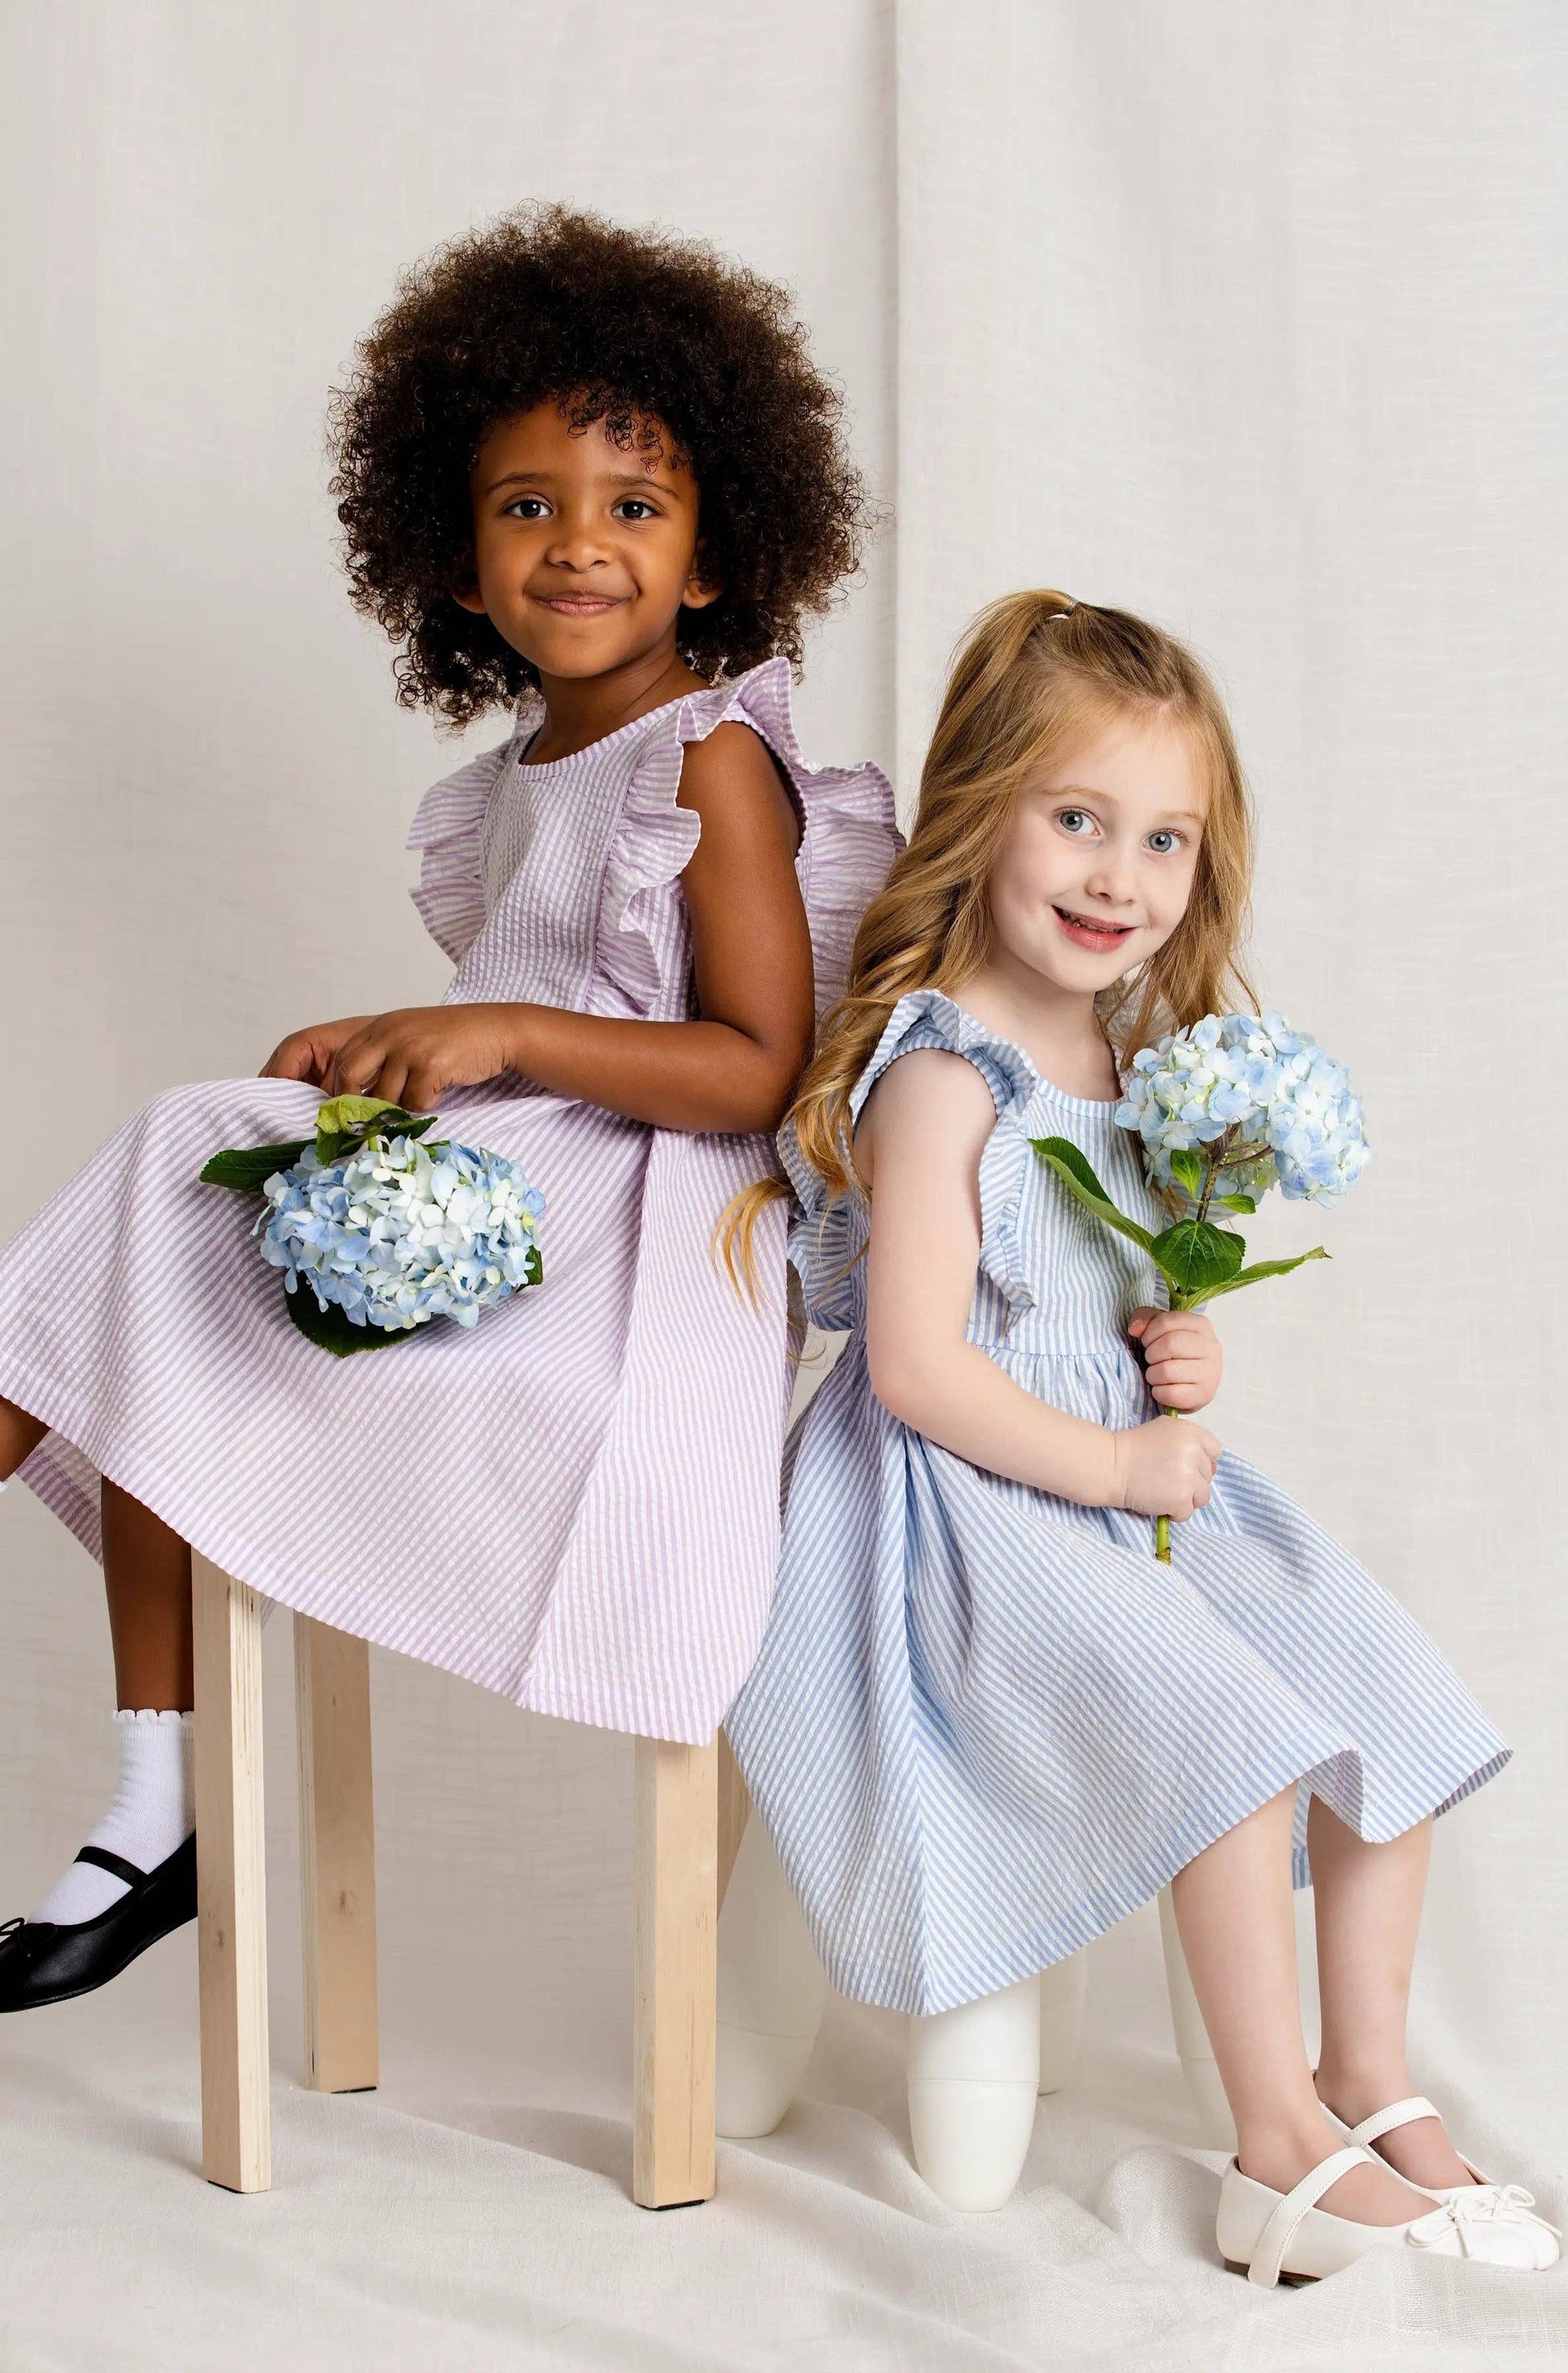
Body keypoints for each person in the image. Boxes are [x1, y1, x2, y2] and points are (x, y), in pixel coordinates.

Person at [0, 205, 898, 2014]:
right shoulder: (511, 780)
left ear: (718, 554)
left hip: (640, 1250)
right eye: (526, 506)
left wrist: (489, 1029)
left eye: (634, 507)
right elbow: (517, 1011)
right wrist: (387, 1043)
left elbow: (755, 1064)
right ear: (457, 559)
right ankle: (158, 1790)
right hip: (520, 1193)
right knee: (156, 1271)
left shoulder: (710, 757)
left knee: (169, 1173)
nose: (580, 545)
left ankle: (158, 1806)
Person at [720, 590, 1558, 2283]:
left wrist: (1168, 1348)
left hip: (1116, 1483)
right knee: (1231, 1734)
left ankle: (1364, 2075)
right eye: (1078, 819)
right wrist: (1108, 1462)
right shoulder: (943, 1074)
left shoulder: (1130, 1058)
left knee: (1373, 1692)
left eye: (1162, 837)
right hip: (957, 1510)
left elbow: (1087, 1297)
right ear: (982, 810)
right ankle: (1269, 2148)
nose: (1121, 876)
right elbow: (913, 1368)